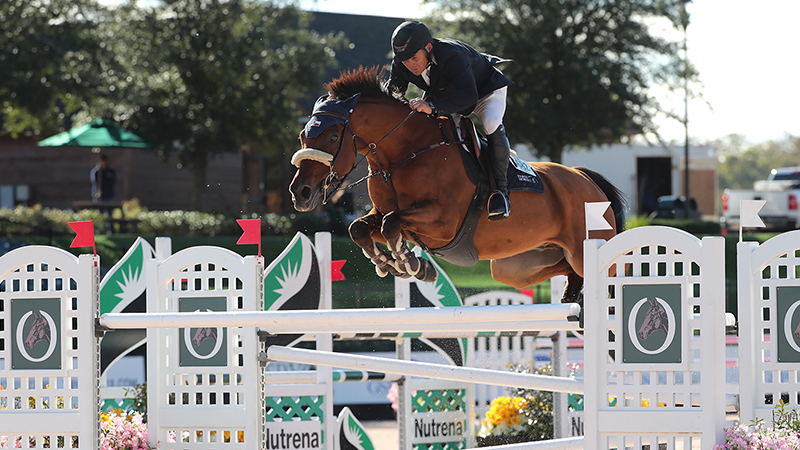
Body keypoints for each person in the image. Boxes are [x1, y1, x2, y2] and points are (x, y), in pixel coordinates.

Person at [388, 20, 513, 221]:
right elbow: (392, 97)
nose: (410, 65)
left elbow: (469, 97)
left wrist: (433, 107)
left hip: (483, 91)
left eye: (414, 57)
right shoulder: (401, 63)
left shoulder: (450, 54)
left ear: (428, 48)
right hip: (447, 94)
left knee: (490, 122)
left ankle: (501, 193)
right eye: (404, 60)